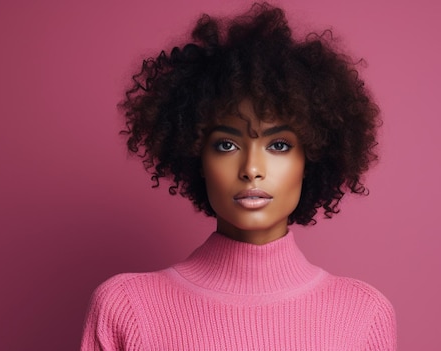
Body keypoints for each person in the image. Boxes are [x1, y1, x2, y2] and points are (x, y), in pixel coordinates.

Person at [81, 3, 396, 350]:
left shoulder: (363, 315)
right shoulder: (127, 307)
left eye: (278, 145)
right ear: (197, 155)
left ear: (311, 158)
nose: (251, 168)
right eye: (227, 145)